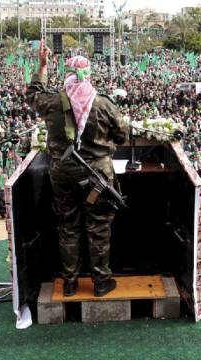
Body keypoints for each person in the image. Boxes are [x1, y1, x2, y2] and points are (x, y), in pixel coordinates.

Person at [26, 42, 128, 297]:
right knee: (98, 226)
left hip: (63, 171)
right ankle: (101, 281)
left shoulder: (51, 102)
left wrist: (42, 65)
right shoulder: (103, 104)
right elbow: (121, 135)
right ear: (89, 74)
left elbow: (32, 93)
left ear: (67, 75)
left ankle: (70, 282)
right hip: (98, 174)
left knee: (68, 224)